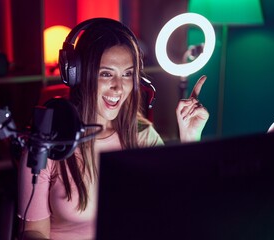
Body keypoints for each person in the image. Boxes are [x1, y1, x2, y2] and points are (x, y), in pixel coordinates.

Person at [17, 18, 209, 240]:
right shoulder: (48, 143)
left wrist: (190, 139)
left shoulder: (142, 135)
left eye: (127, 74)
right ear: (78, 74)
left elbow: (178, 209)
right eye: (106, 73)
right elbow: (32, 233)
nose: (119, 87)